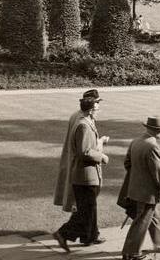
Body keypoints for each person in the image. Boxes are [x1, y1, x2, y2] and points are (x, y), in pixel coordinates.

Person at [53, 90, 109, 253]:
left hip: (85, 174)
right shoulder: (84, 125)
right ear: (91, 109)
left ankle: (90, 236)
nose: (99, 110)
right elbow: (84, 152)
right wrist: (102, 157)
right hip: (85, 176)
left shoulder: (83, 119)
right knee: (86, 210)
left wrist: (98, 142)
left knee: (89, 207)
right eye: (97, 107)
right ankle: (63, 233)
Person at [120, 116, 160, 260]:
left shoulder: (136, 141)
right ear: (158, 130)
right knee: (141, 221)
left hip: (134, 188)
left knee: (152, 216)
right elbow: (158, 171)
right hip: (146, 192)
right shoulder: (152, 146)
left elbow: (127, 163)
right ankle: (131, 253)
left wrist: (138, 176)